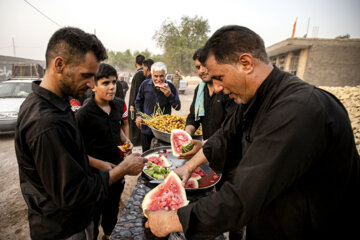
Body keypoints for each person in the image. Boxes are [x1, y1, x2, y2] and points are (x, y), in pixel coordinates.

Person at [145, 25, 360, 239]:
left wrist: (173, 219)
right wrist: (189, 167)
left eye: (219, 77)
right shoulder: (253, 100)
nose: (217, 88)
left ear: (245, 63)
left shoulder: (298, 109)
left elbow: (243, 197)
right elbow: (224, 135)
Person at [15, 27, 146, 240]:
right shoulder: (46, 122)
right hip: (63, 229)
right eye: (86, 76)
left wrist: (98, 165)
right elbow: (72, 194)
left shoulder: (56, 104)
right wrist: (122, 169)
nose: (90, 84)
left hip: (76, 220)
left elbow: (70, 157)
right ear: (59, 65)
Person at [75, 63, 132, 240]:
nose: (112, 87)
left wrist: (126, 140)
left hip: (116, 169)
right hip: (94, 177)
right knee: (92, 217)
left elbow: (118, 127)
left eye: (114, 82)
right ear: (93, 85)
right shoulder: (83, 114)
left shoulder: (117, 105)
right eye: (106, 83)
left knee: (112, 209)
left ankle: (108, 234)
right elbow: (76, 152)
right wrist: (100, 164)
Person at [185, 47, 236, 140]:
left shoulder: (227, 90)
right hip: (208, 148)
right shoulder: (200, 90)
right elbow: (193, 117)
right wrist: (187, 133)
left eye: (205, 65)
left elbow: (231, 128)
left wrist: (206, 145)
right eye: (198, 67)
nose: (202, 70)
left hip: (227, 148)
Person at [135, 62, 181, 152]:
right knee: (146, 154)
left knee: (162, 155)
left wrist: (169, 95)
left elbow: (177, 107)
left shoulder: (170, 86)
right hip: (146, 127)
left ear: (166, 75)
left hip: (163, 129)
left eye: (161, 76)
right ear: (151, 75)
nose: (158, 79)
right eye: (155, 76)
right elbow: (138, 101)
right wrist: (138, 115)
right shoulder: (144, 85)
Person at [128, 54, 146, 146]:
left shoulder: (139, 74)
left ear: (136, 63)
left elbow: (136, 91)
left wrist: (132, 104)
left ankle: (136, 141)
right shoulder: (144, 74)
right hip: (141, 103)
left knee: (135, 121)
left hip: (136, 104)